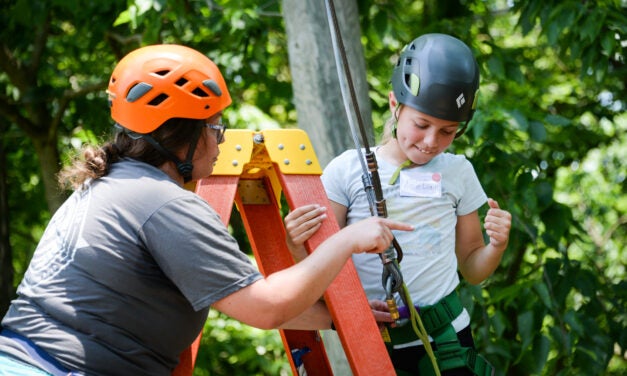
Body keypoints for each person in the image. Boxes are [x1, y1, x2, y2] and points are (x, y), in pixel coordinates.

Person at [0, 44, 414, 376]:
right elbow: (266, 307)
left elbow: (235, 296)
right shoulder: (164, 204)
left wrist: (336, 316)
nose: (220, 142)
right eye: (214, 128)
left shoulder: (112, 186)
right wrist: (346, 240)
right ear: (181, 134)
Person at [285, 33, 512, 375]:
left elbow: (471, 267)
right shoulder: (348, 170)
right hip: (375, 340)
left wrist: (496, 246)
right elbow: (317, 262)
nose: (431, 142)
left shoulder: (458, 172)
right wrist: (294, 242)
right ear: (395, 104)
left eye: (448, 131)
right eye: (421, 124)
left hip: (449, 337)